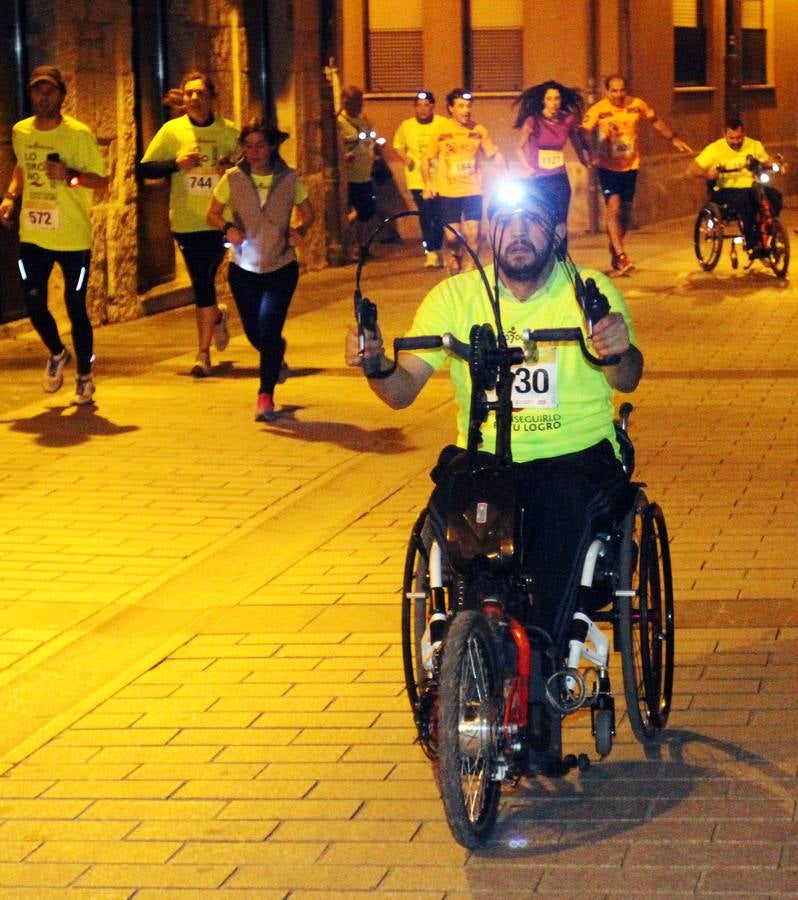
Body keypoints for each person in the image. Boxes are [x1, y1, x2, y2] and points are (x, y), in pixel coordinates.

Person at [345, 178, 642, 663]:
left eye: (532, 222)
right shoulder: (455, 298)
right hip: (484, 458)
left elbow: (628, 378)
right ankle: (467, 645)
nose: (518, 233)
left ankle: (545, 654)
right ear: (488, 232)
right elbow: (400, 393)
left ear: (559, 232)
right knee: (453, 518)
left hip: (574, 457)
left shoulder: (588, 291)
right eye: (505, 222)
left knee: (561, 514)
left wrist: (616, 348)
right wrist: (375, 362)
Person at [0, 65, 108, 405]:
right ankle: (58, 353)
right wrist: (10, 195)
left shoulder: (79, 134)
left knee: (76, 307)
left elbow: (102, 182)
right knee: (33, 301)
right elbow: (22, 165)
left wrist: (70, 175)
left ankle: (85, 376)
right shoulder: (21, 131)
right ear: (31, 94)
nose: (43, 96)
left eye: (50, 91)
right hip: (33, 233)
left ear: (62, 95)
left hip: (73, 237)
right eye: (37, 90)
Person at [207, 119, 314, 422]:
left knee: (268, 327)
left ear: (271, 148)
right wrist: (227, 227)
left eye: (260, 145)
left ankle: (265, 395)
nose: (253, 152)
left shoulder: (290, 179)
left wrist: (300, 230)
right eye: (248, 145)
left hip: (281, 265)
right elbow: (212, 214)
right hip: (243, 267)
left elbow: (309, 213)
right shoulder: (232, 179)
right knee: (257, 334)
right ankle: (275, 353)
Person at [140, 71, 239, 377]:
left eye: (200, 93)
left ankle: (211, 331)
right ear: (183, 100)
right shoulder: (172, 131)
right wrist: (175, 165)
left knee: (206, 278)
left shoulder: (228, 132)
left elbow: (251, 166)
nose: (195, 98)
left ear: (211, 98)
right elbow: (145, 169)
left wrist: (231, 167)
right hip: (185, 221)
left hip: (220, 219)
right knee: (202, 281)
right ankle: (204, 349)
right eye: (189, 94)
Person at [581, 74, 692, 274]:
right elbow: (584, 131)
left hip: (631, 165)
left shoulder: (636, 104)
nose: (618, 94)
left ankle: (615, 247)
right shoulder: (599, 110)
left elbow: (655, 120)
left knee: (625, 213)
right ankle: (622, 256)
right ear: (607, 91)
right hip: (607, 166)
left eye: (621, 90)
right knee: (613, 207)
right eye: (614, 90)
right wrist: (593, 150)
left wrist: (673, 138)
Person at [421, 88, 506, 275]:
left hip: (473, 189)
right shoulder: (441, 131)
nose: (466, 110)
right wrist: (428, 184)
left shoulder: (478, 130)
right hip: (448, 190)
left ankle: (470, 271)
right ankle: (454, 252)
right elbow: (426, 159)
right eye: (461, 106)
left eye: (468, 106)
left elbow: (494, 154)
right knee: (452, 236)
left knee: (473, 233)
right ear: (451, 109)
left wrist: (506, 174)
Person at [687, 117, 783, 252]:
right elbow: (692, 169)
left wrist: (778, 165)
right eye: (732, 138)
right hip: (727, 189)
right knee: (745, 202)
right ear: (724, 134)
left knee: (774, 196)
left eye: (739, 138)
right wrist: (708, 174)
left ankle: (770, 230)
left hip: (752, 186)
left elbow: (767, 161)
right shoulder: (715, 149)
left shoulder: (754, 145)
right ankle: (751, 243)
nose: (736, 142)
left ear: (744, 134)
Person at [514, 80, 589, 243]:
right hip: (538, 178)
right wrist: (527, 168)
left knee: (560, 221)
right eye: (549, 99)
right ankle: (542, 257)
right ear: (543, 100)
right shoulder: (533, 120)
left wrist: (583, 158)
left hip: (559, 177)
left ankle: (561, 259)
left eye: (557, 99)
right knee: (543, 220)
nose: (554, 103)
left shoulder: (567, 120)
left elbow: (575, 139)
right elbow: (518, 148)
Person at [392, 90, 446, 268]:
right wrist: (405, 158)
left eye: (427, 105)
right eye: (419, 106)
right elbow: (398, 144)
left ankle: (437, 248)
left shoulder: (442, 124)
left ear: (432, 107)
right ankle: (430, 252)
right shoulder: (406, 126)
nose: (423, 109)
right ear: (414, 108)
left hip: (439, 178)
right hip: (416, 178)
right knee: (426, 213)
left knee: (439, 216)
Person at [337, 85, 377, 260]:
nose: (360, 106)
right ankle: (351, 246)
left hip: (365, 174)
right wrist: (344, 156)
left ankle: (361, 246)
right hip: (350, 177)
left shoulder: (364, 120)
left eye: (361, 102)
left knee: (367, 212)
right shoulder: (339, 123)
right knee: (356, 212)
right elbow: (334, 149)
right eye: (356, 102)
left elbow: (370, 138)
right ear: (346, 102)